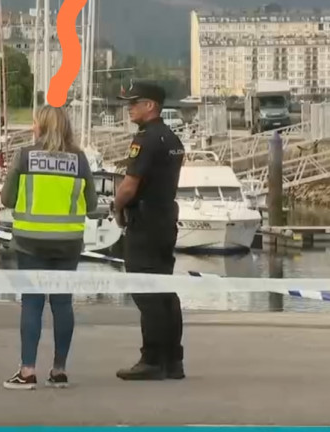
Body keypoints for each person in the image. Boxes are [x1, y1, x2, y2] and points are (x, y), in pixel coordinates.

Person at [0, 105, 98, 390]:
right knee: (62, 303)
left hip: (30, 240)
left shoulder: (25, 156)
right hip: (68, 242)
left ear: (40, 126)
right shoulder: (79, 160)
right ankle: (59, 371)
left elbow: (7, 199)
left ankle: (27, 371)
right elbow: (91, 205)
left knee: (32, 302)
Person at [112, 83, 186, 381]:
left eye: (134, 103)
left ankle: (152, 358)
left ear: (151, 106)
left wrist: (116, 207)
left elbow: (130, 185)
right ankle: (173, 359)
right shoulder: (172, 138)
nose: (129, 107)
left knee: (147, 291)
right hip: (166, 218)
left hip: (144, 221)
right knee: (166, 290)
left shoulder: (146, 139)